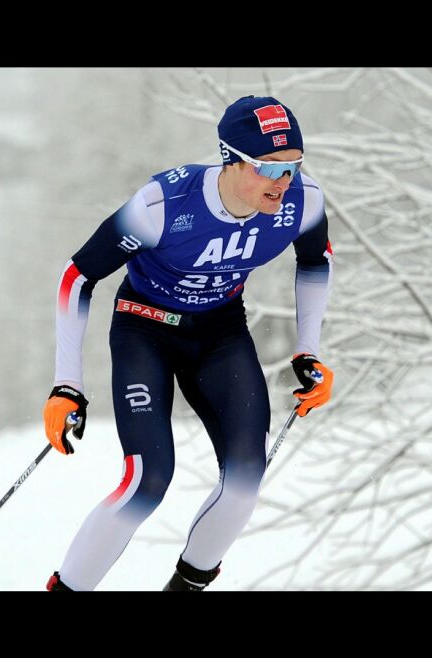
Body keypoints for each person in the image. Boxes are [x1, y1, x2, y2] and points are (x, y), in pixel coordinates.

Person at [43, 96, 334, 592]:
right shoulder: (163, 205)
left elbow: (316, 263)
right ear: (231, 157)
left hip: (219, 333)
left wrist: (309, 350)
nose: (283, 183)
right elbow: (77, 277)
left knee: (246, 482)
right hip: (145, 329)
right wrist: (66, 385)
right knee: (146, 483)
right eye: (268, 168)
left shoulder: (303, 202)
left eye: (292, 168)